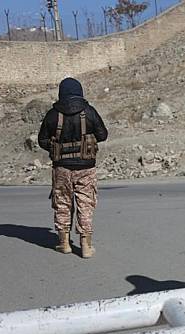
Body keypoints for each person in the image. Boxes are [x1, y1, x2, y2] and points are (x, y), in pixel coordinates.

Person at [38, 77, 108, 258]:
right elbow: (102, 134)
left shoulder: (53, 114)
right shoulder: (89, 111)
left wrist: (56, 144)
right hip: (86, 166)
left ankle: (64, 243)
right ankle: (86, 246)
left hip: (61, 168)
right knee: (85, 203)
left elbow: (42, 140)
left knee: (62, 203)